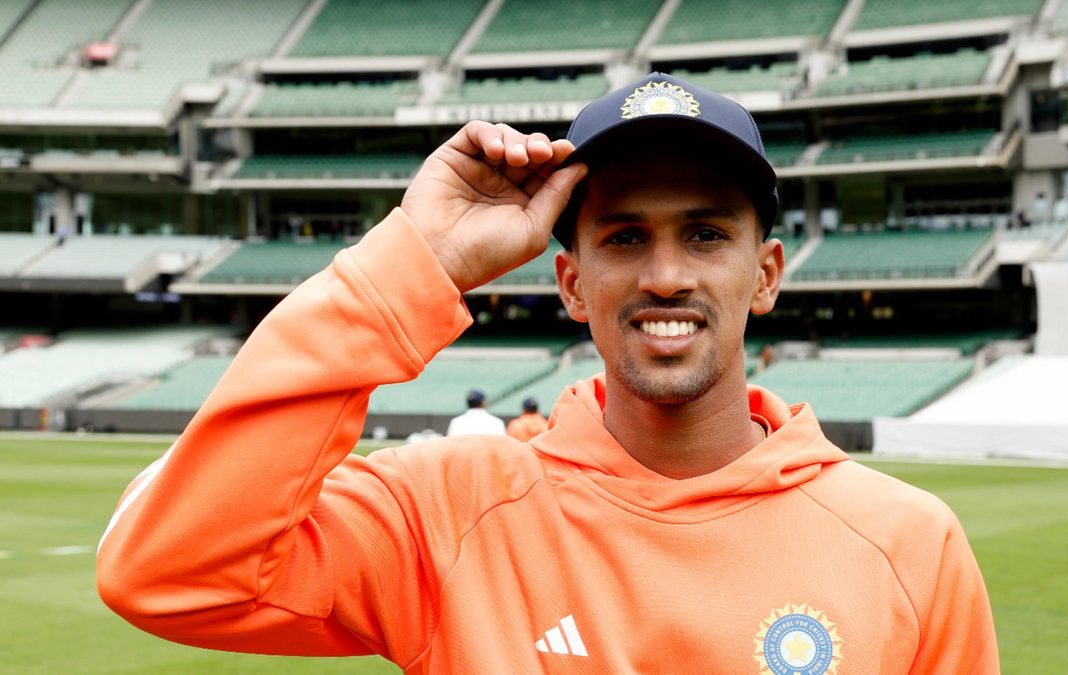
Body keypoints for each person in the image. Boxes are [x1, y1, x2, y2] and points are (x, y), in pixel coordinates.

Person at [97, 73, 999, 673]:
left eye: (707, 233)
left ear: (765, 274)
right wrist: (416, 265)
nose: (666, 274)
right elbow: (168, 571)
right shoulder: (445, 511)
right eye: (623, 237)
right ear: (572, 282)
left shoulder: (909, 543)